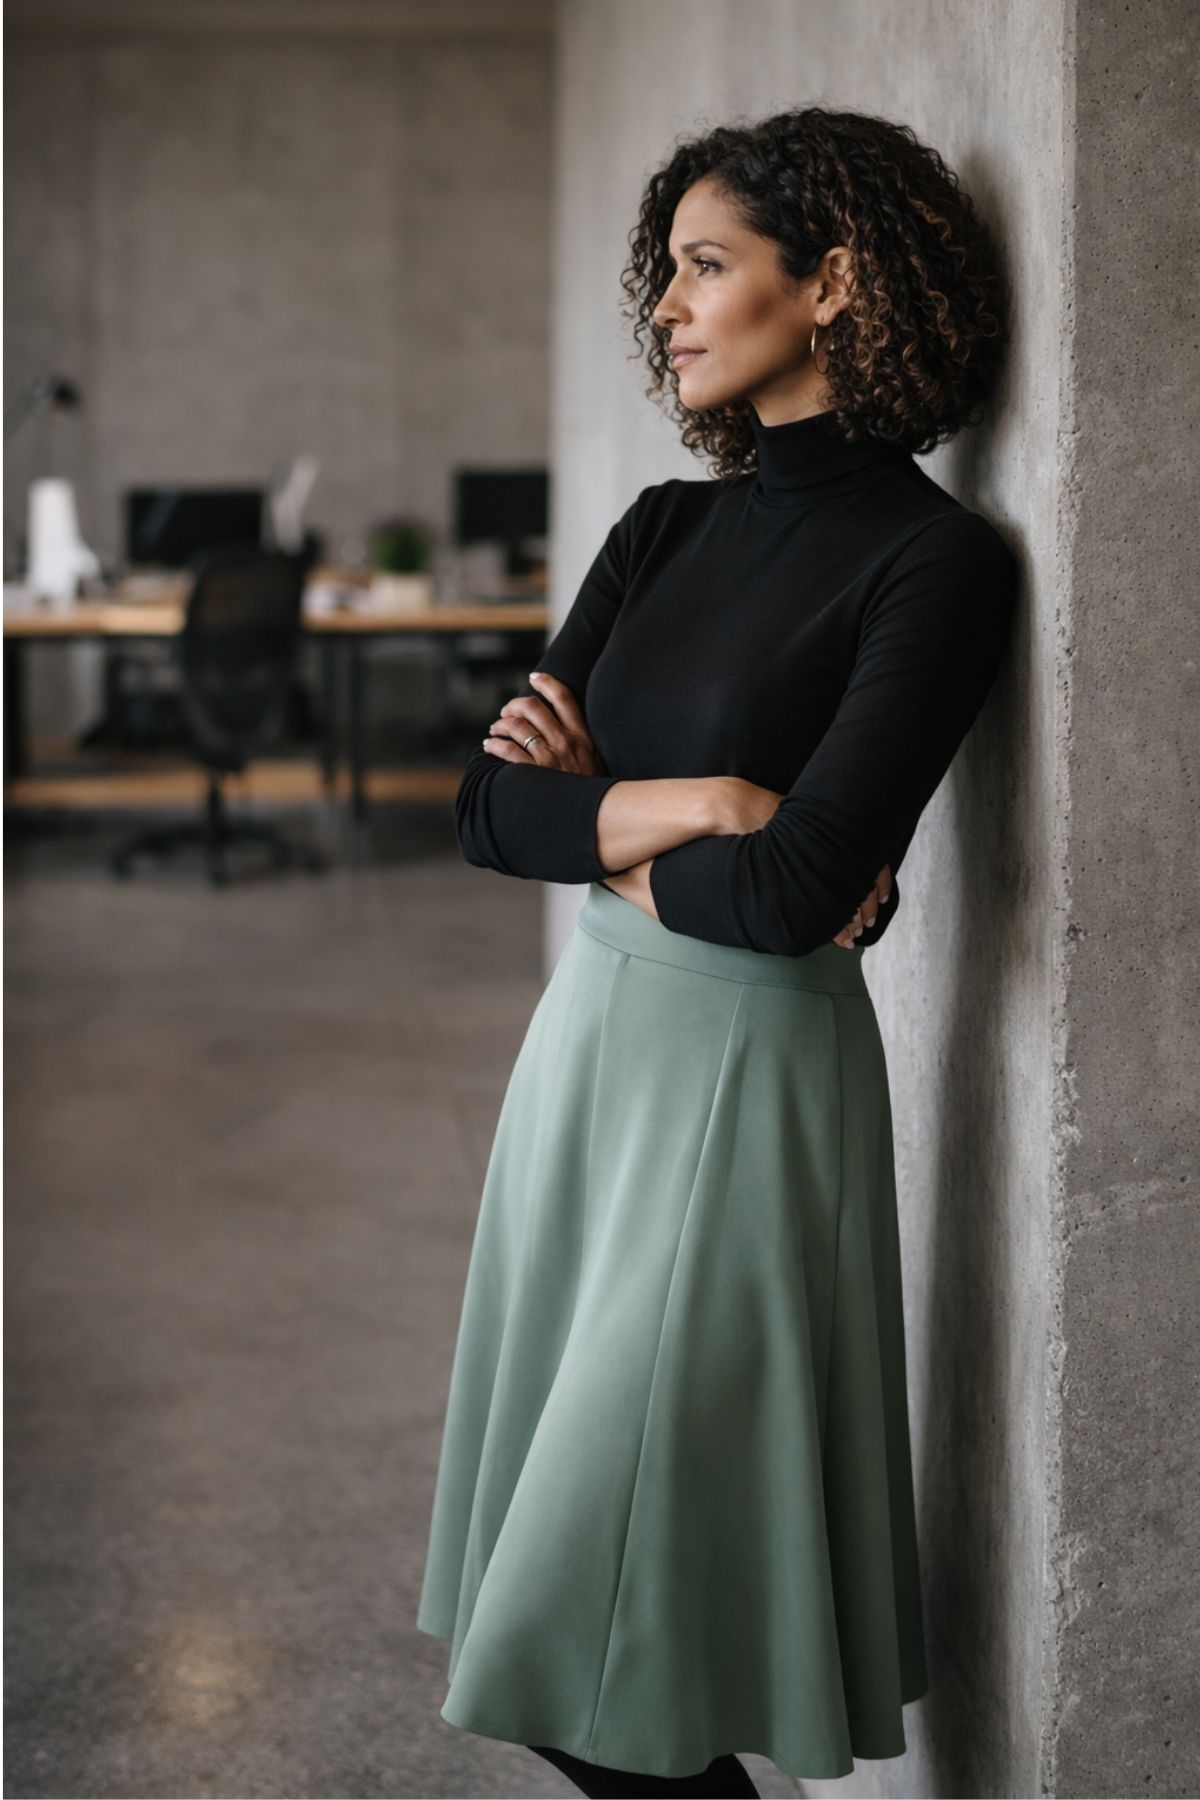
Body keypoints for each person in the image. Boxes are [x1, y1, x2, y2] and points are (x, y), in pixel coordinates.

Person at [416, 104, 1020, 1798]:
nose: (669, 308)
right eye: (667, 273)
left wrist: (606, 820)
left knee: (579, 1645)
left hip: (743, 1087)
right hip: (589, 1063)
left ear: (832, 283)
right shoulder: (662, 532)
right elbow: (486, 810)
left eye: (706, 266)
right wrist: (710, 802)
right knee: (578, 1625)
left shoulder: (935, 564)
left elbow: (795, 891)